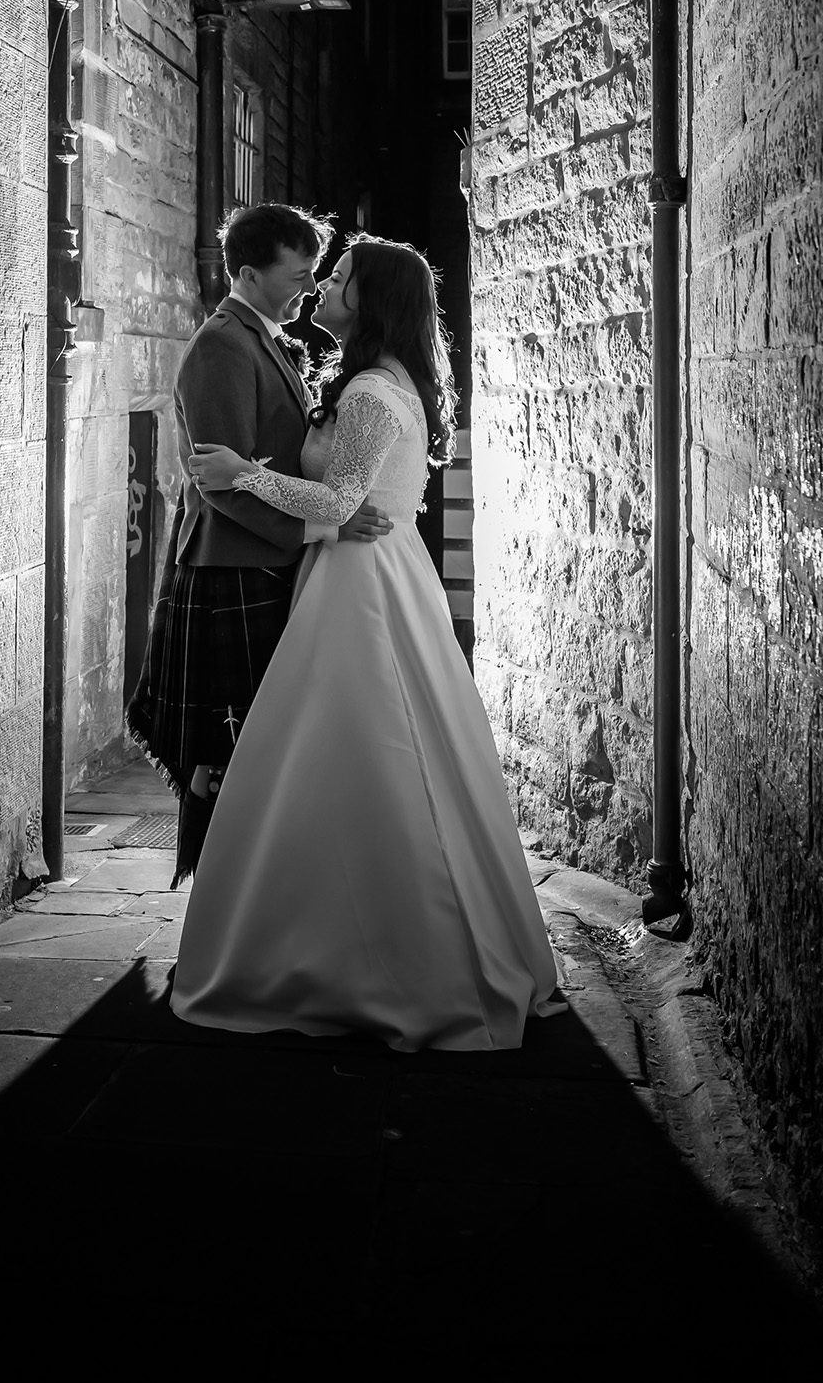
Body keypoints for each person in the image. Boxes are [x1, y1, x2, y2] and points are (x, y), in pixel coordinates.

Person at [173, 233, 564, 1051]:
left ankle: (384, 956)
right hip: (367, 572)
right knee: (354, 753)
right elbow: (348, 503)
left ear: (372, 301)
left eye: (341, 277)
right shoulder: (377, 383)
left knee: (359, 748)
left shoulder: (373, 393)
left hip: (362, 587)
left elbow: (339, 502)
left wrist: (241, 473)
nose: (322, 285)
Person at [127, 204, 392, 881]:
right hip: (232, 569)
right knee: (231, 753)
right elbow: (220, 482)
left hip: (264, 564)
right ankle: (225, 891)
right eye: (299, 275)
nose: (310, 287)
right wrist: (322, 524)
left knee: (262, 745)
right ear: (248, 274)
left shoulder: (265, 337)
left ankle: (253, 894)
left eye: (316, 274)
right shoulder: (222, 344)